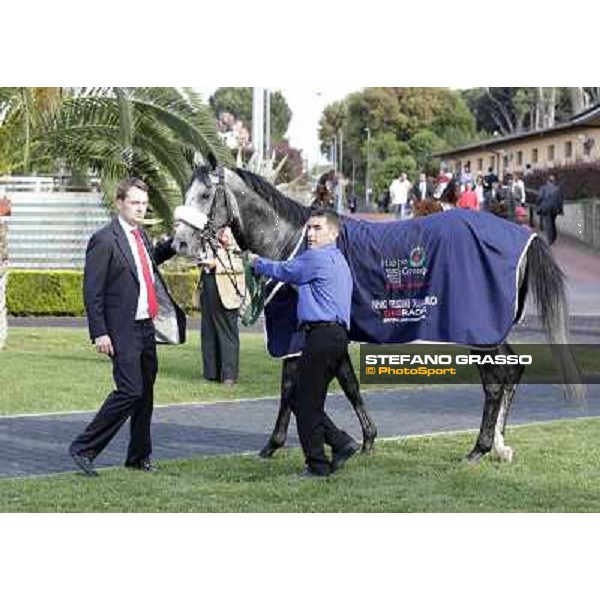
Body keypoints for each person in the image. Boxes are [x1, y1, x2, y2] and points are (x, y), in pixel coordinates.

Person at [69, 178, 186, 476]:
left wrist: (172, 245)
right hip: (121, 330)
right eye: (134, 202)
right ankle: (84, 448)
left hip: (147, 328)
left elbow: (149, 262)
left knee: (145, 392)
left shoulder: (141, 236)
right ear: (119, 202)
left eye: (143, 203)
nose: (140, 208)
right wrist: (100, 332)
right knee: (130, 390)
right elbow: (92, 291)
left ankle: (138, 456)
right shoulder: (104, 239)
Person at [249, 209, 359, 478]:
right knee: (302, 398)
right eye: (308, 228)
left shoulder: (315, 258)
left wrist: (255, 261)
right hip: (335, 337)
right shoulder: (339, 259)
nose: (310, 233)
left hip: (321, 336)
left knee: (306, 403)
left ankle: (317, 465)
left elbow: (283, 270)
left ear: (333, 233)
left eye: (317, 228)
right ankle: (342, 443)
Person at [199, 227, 244, 385]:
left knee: (228, 335)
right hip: (208, 291)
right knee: (208, 333)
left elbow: (240, 265)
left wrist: (216, 263)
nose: (222, 236)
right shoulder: (209, 241)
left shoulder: (238, 243)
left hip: (227, 295)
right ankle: (211, 373)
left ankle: (229, 376)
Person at [536, 175, 564, 245]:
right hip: (555, 208)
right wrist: (560, 210)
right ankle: (554, 237)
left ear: (547, 181)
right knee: (552, 222)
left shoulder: (543, 188)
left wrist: (538, 204)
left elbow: (539, 197)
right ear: (554, 181)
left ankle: (550, 239)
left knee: (548, 223)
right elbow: (560, 200)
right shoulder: (557, 189)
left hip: (545, 208)